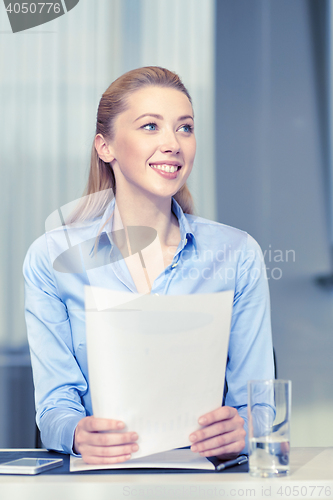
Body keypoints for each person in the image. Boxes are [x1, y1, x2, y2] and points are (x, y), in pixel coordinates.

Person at [24, 66, 274, 465]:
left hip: (207, 481)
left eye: (185, 128)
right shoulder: (52, 259)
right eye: (150, 127)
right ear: (105, 147)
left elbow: (259, 407)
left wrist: (243, 431)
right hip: (101, 480)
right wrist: (75, 432)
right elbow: (54, 407)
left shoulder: (237, 254)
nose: (173, 144)